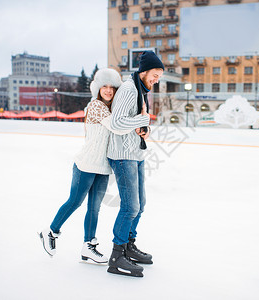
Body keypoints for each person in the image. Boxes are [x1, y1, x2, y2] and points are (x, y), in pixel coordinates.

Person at [38, 68, 130, 264]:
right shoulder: (96, 106)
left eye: (112, 87)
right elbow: (116, 126)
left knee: (94, 208)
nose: (108, 90)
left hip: (103, 167)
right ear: (97, 88)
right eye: (104, 86)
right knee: (75, 201)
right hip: (86, 164)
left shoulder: (111, 109)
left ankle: (88, 246)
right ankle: (51, 231)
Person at [106, 51, 164, 277]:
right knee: (130, 206)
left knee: (141, 204)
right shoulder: (130, 89)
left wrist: (145, 129)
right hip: (123, 155)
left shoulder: (141, 90)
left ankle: (129, 245)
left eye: (159, 76)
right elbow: (117, 123)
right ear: (145, 71)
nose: (156, 79)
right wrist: (143, 120)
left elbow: (135, 122)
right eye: (155, 75)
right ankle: (117, 256)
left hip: (135, 153)